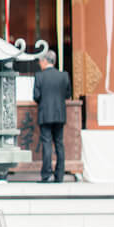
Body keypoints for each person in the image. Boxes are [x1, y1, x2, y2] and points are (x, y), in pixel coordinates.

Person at [33, 51, 72, 182]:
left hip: (45, 114)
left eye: (40, 61)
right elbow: (68, 95)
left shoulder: (39, 76)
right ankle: (59, 175)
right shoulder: (64, 76)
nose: (39, 64)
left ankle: (46, 175)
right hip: (60, 114)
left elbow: (36, 96)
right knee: (59, 144)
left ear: (45, 61)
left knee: (47, 144)